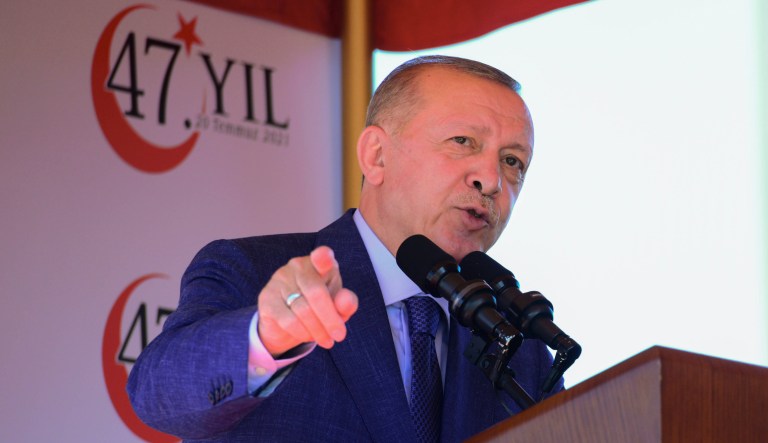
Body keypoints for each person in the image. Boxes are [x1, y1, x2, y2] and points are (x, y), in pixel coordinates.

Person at [128, 55, 563, 442]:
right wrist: (266, 339)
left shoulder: (521, 348)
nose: (492, 180)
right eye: (463, 142)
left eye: (512, 161)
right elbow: (156, 397)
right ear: (376, 156)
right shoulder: (252, 273)